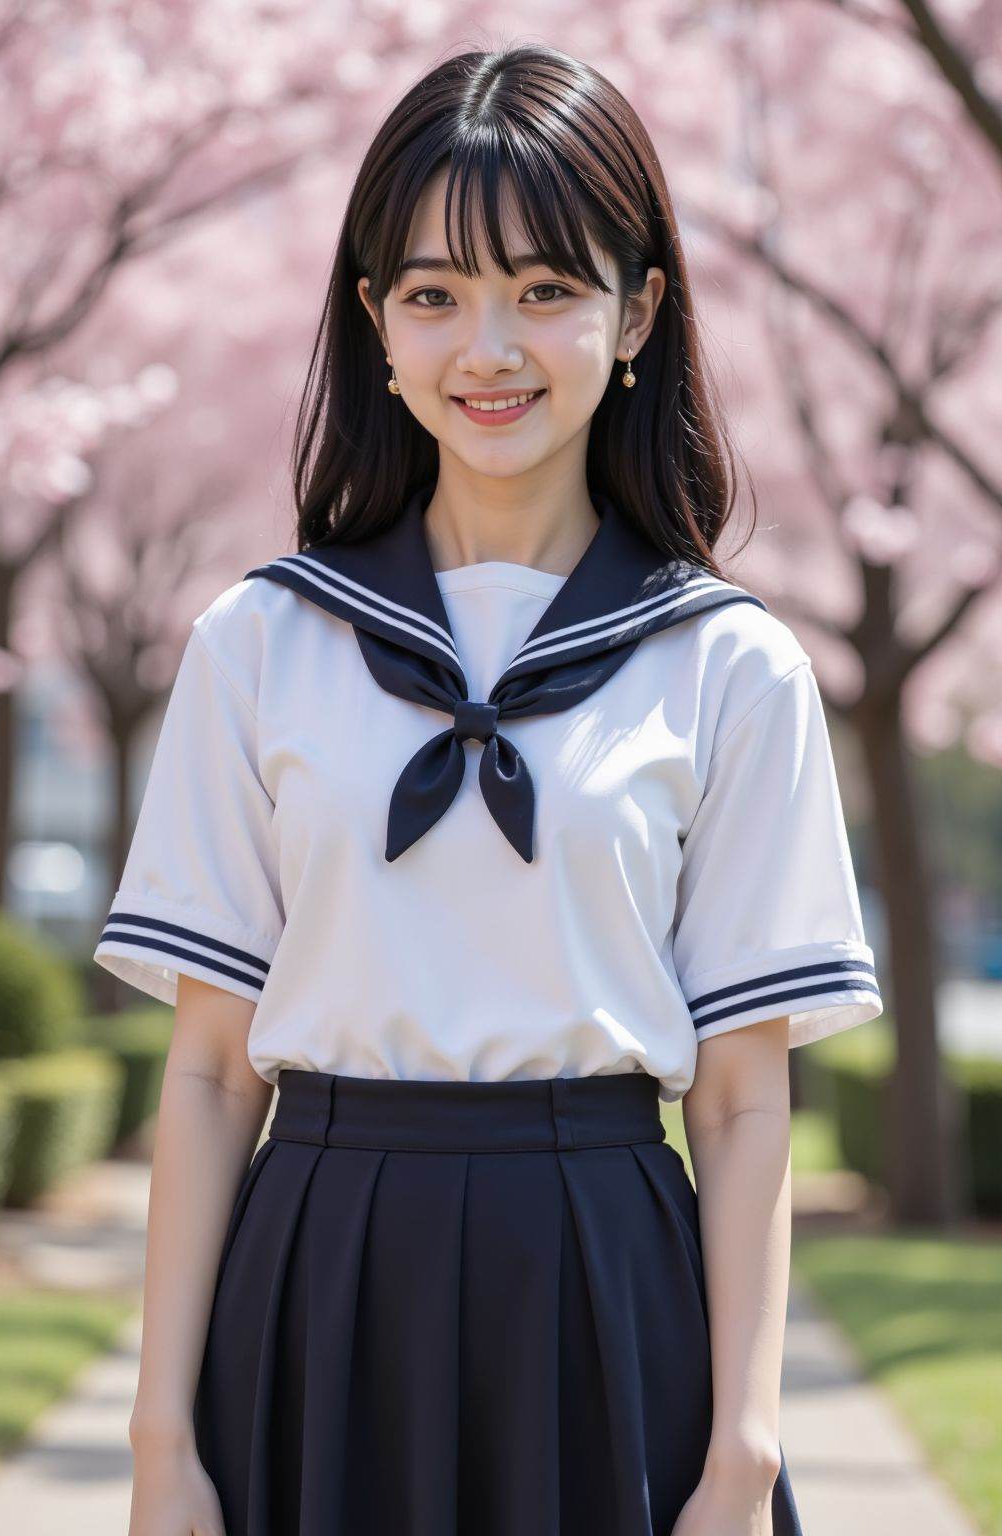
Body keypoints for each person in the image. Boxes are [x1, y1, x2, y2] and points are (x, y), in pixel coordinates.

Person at [95, 41, 883, 1536]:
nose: (489, 348)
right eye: (435, 293)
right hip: (315, 1282)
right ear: (374, 322)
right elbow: (208, 1076)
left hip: (602, 1282)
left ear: (640, 311)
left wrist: (744, 1456)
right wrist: (160, 1444)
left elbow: (739, 1102)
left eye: (546, 289)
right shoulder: (260, 643)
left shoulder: (728, 668)